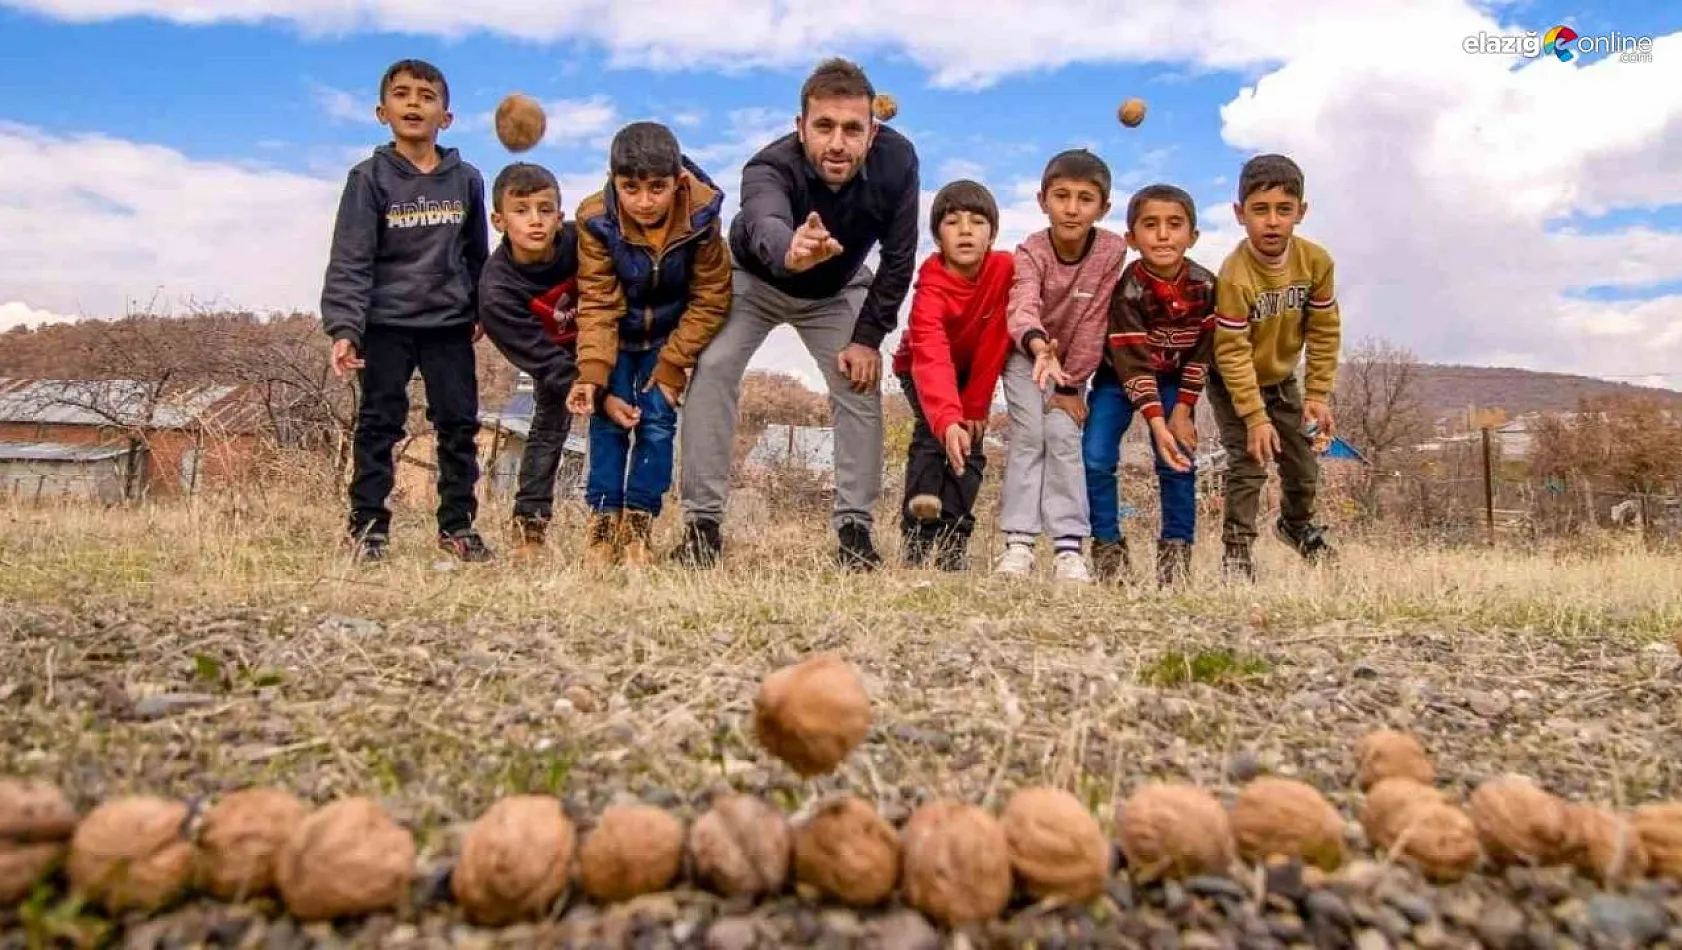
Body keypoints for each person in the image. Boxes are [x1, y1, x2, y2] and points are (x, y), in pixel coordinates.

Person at [673, 56, 920, 571]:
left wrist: (867, 338)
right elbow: (763, 217)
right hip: (755, 278)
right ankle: (702, 524)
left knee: (858, 378)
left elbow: (899, 260)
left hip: (838, 288)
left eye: (852, 129)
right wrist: (790, 248)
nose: (837, 143)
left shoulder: (899, 162)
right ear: (799, 127)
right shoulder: (768, 167)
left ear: (873, 131)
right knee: (713, 366)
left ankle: (855, 529)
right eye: (824, 126)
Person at [320, 58, 490, 563]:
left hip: (448, 326)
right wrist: (346, 327)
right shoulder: (368, 179)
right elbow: (351, 257)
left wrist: (481, 306)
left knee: (459, 426)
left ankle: (457, 526)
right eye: (402, 93)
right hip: (386, 324)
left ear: (447, 117)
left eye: (426, 95)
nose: (414, 102)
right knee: (379, 424)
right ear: (381, 111)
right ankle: (368, 527)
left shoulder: (467, 180)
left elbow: (476, 254)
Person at [566, 121, 731, 567]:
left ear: (678, 183)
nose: (643, 201)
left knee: (657, 424)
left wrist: (674, 363)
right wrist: (593, 374)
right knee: (608, 422)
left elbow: (712, 295)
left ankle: (639, 522)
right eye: (630, 188)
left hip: (669, 336)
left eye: (656, 188)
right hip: (615, 334)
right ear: (613, 182)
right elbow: (598, 299)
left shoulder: (702, 218)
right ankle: (603, 523)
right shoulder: (595, 219)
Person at [1207, 153, 1342, 580]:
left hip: (1282, 379)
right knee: (1249, 464)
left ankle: (1296, 526)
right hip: (1235, 383)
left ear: (1301, 212)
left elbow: (1324, 329)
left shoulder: (1316, 263)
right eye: (1259, 210)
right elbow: (1230, 351)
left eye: (1284, 210)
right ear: (1239, 214)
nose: (1272, 221)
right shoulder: (1234, 275)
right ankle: (1237, 553)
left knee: (1302, 464)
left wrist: (1317, 392)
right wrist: (1254, 417)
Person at [997, 149, 1128, 582]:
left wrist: (1072, 385)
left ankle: (1068, 547)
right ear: (1042, 200)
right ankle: (1018, 543)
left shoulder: (1110, 250)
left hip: (1073, 368)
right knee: (1030, 436)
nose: (1072, 208)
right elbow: (1021, 305)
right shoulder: (1031, 250)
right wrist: (1037, 347)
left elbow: (1095, 321)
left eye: (1085, 198)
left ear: (1103, 207)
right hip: (1026, 356)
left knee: (1063, 437)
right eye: (1062, 196)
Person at [1083, 183, 1216, 587]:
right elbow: (1134, 362)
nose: (1162, 235)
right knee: (1095, 456)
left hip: (1176, 381)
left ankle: (1175, 559)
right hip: (1119, 378)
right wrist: (1157, 424)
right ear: (1131, 238)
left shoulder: (1206, 286)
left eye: (1174, 225)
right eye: (1150, 225)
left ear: (1192, 236)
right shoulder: (1129, 289)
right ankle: (1108, 551)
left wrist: (1180, 413)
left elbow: (1203, 354)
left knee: (1178, 459)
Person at [890, 179, 1015, 571]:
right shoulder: (930, 288)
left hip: (974, 374)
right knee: (933, 435)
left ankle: (952, 543)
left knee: (972, 448)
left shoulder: (1004, 269)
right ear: (937, 236)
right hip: (922, 369)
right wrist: (947, 420)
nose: (965, 230)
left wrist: (975, 405)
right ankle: (916, 537)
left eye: (977, 221)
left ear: (992, 233)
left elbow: (997, 340)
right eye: (952, 222)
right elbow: (931, 356)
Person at [476, 162, 581, 558]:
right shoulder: (497, 289)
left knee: (626, 421)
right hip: (550, 356)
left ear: (560, 215)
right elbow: (540, 359)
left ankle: (616, 520)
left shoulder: (581, 243)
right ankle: (530, 527)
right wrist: (581, 386)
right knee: (549, 425)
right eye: (521, 211)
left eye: (545, 209)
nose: (535, 221)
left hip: (603, 342)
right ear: (499, 219)